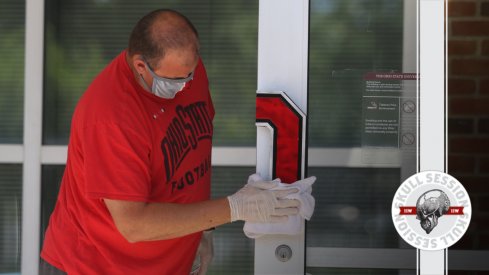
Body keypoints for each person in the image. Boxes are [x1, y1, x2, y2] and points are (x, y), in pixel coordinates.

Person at [40, 9, 313, 275]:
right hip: (95, 266)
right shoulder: (111, 115)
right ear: (140, 65)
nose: (184, 87)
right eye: (173, 81)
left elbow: (194, 156)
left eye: (190, 75)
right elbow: (133, 225)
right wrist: (234, 207)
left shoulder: (185, 71)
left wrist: (203, 230)